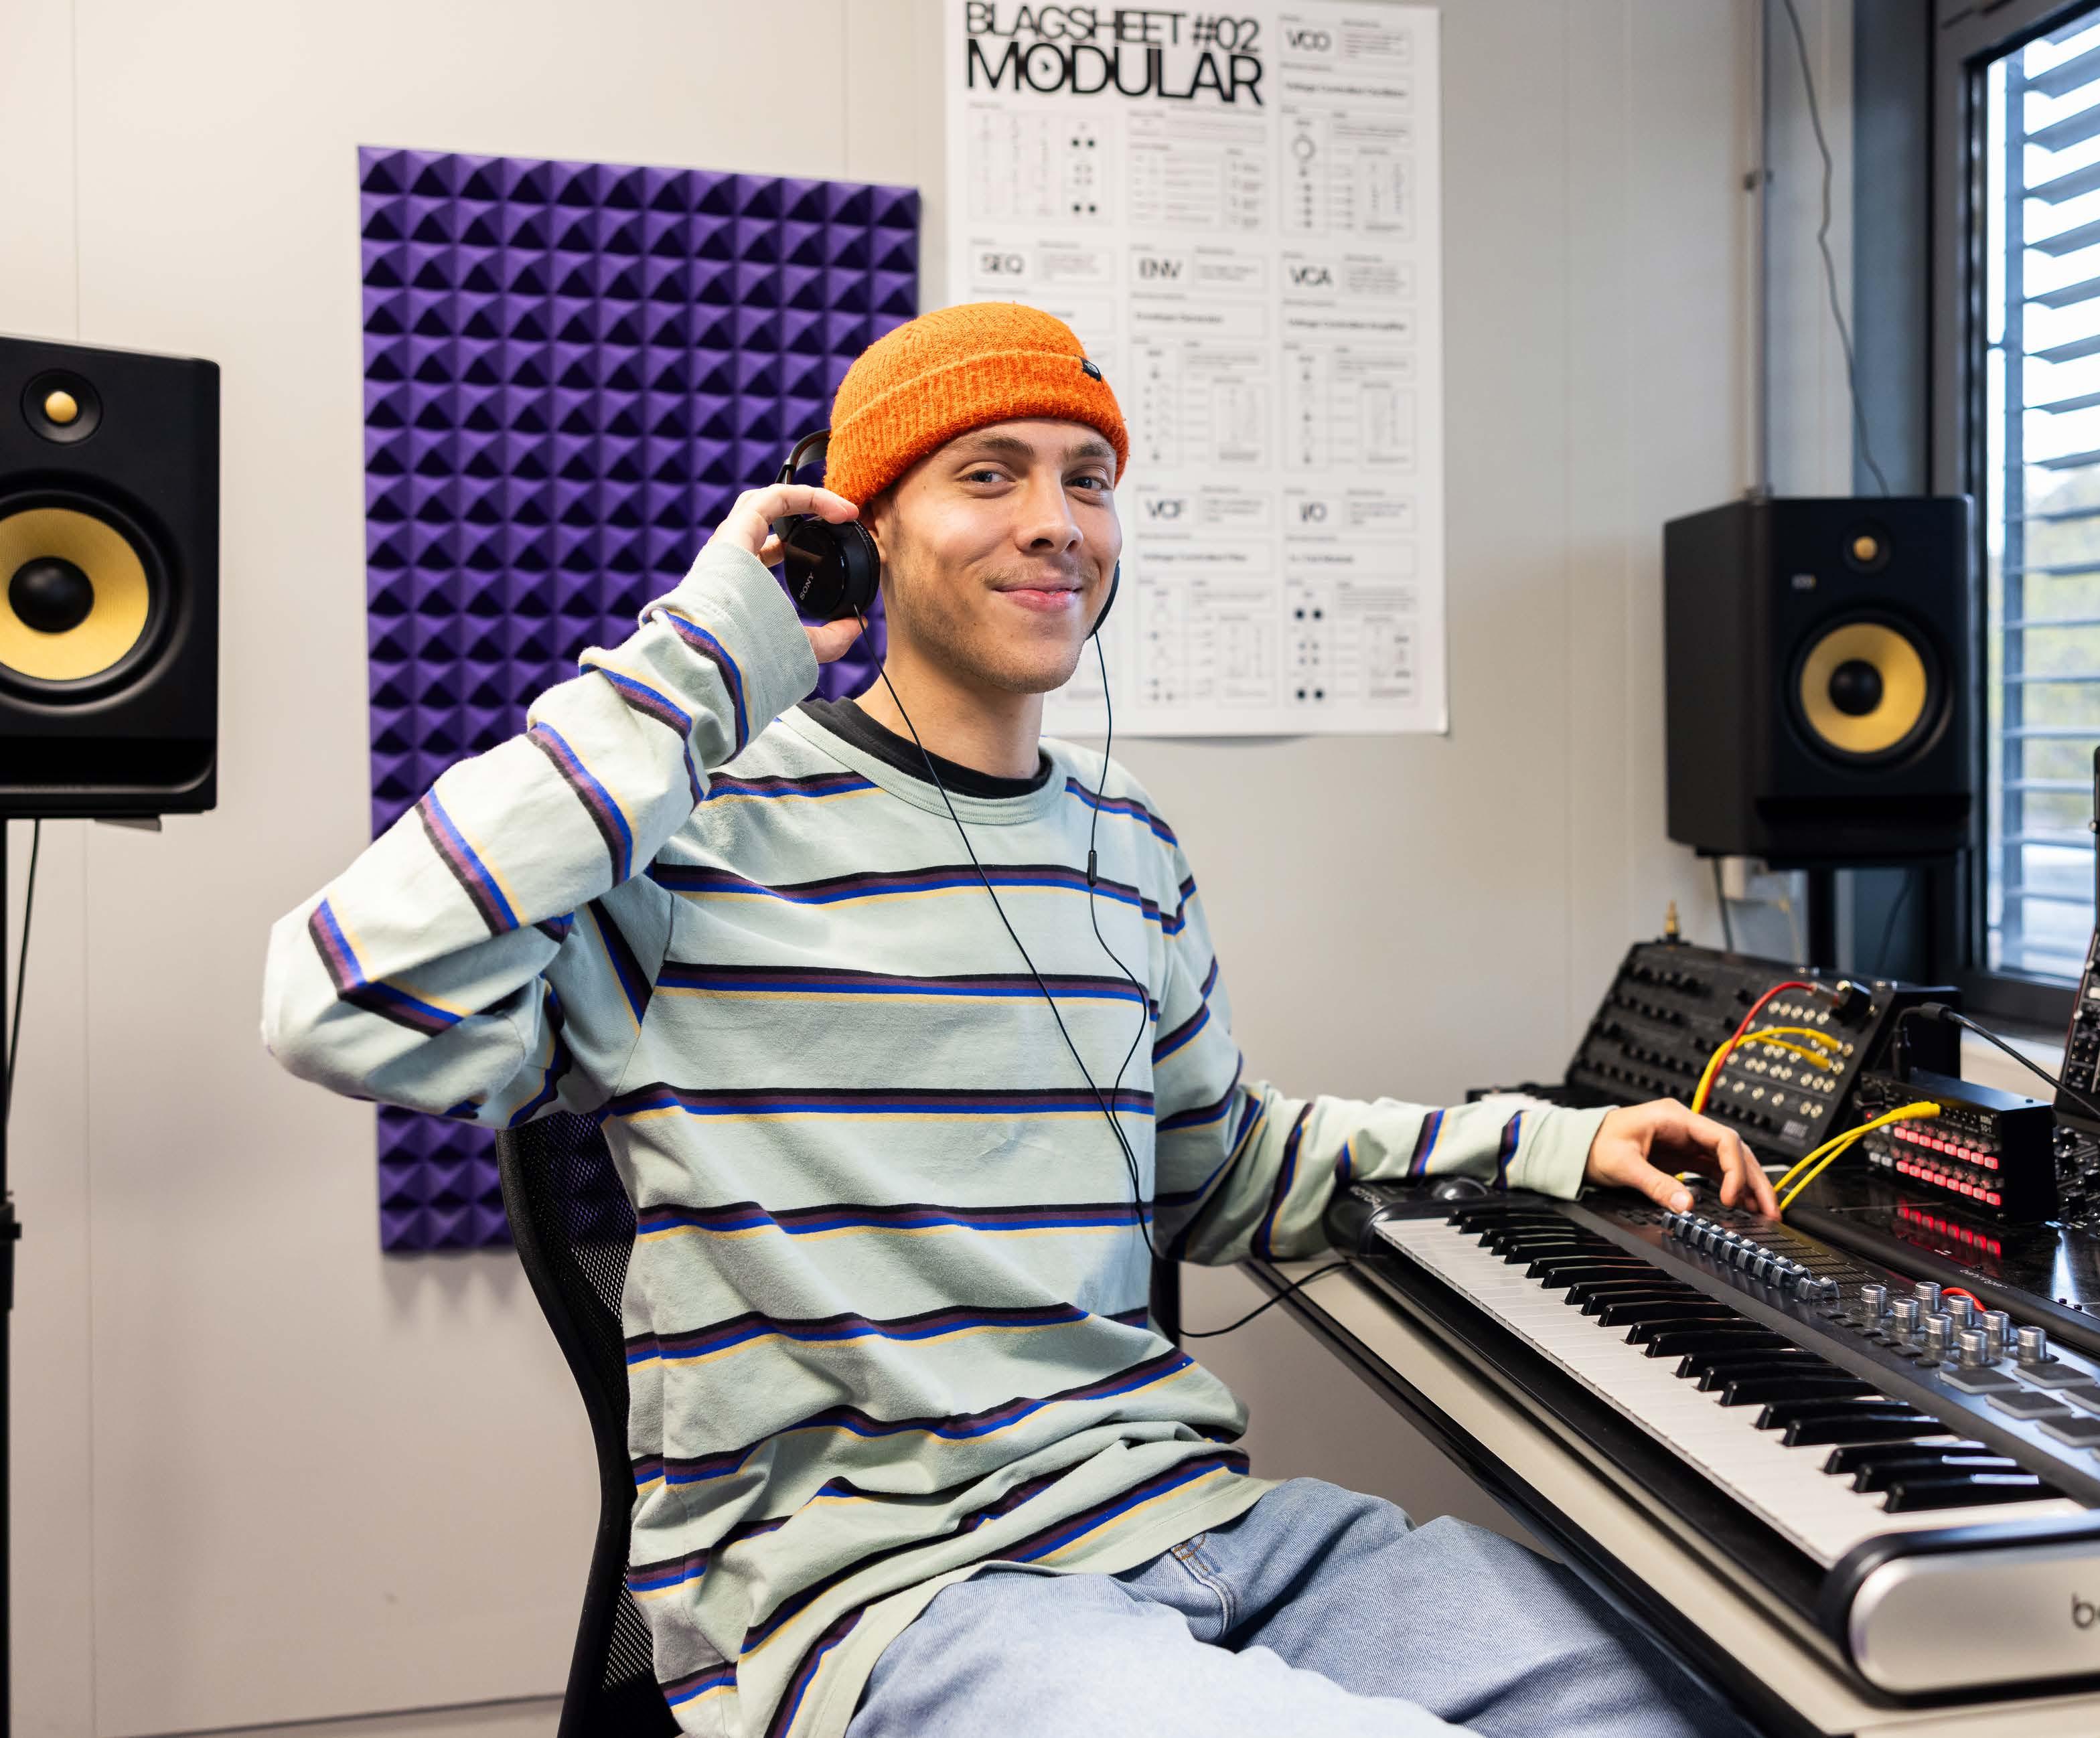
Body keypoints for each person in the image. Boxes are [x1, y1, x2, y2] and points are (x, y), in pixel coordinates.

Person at [265, 303, 1777, 1738]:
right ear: (858, 528)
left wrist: (1546, 1146)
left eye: (1087, 479)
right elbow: (346, 997)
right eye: (987, 474)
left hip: (1200, 1524)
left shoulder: (1126, 843)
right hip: (893, 1595)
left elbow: (1221, 1167)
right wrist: (714, 646)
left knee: (1695, 1700)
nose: (1056, 521)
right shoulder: (694, 833)